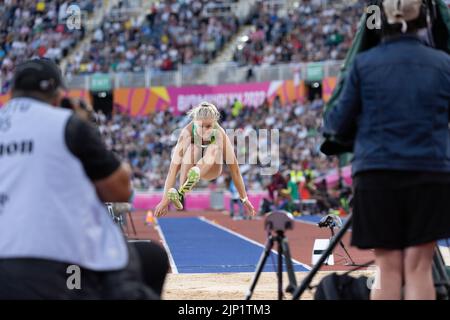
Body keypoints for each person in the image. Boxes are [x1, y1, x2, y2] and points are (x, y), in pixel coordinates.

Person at [0, 59, 168, 299]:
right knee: (149, 261)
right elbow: (120, 192)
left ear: (13, 92)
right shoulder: (66, 125)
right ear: (58, 96)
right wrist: (85, 124)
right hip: (58, 270)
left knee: (150, 258)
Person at [324, 0, 450, 300]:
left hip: (377, 174)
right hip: (430, 173)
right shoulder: (444, 63)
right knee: (419, 268)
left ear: (383, 19)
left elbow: (337, 124)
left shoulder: (364, 64)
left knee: (387, 267)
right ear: (423, 17)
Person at [154, 102, 256, 217]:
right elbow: (173, 170)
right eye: (201, 126)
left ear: (215, 123)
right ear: (195, 122)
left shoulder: (220, 133)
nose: (204, 131)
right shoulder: (187, 133)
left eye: (208, 126)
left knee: (215, 147)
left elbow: (235, 171)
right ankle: (181, 194)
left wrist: (244, 198)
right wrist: (164, 200)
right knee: (192, 148)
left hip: (212, 169)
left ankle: (196, 172)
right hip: (191, 168)